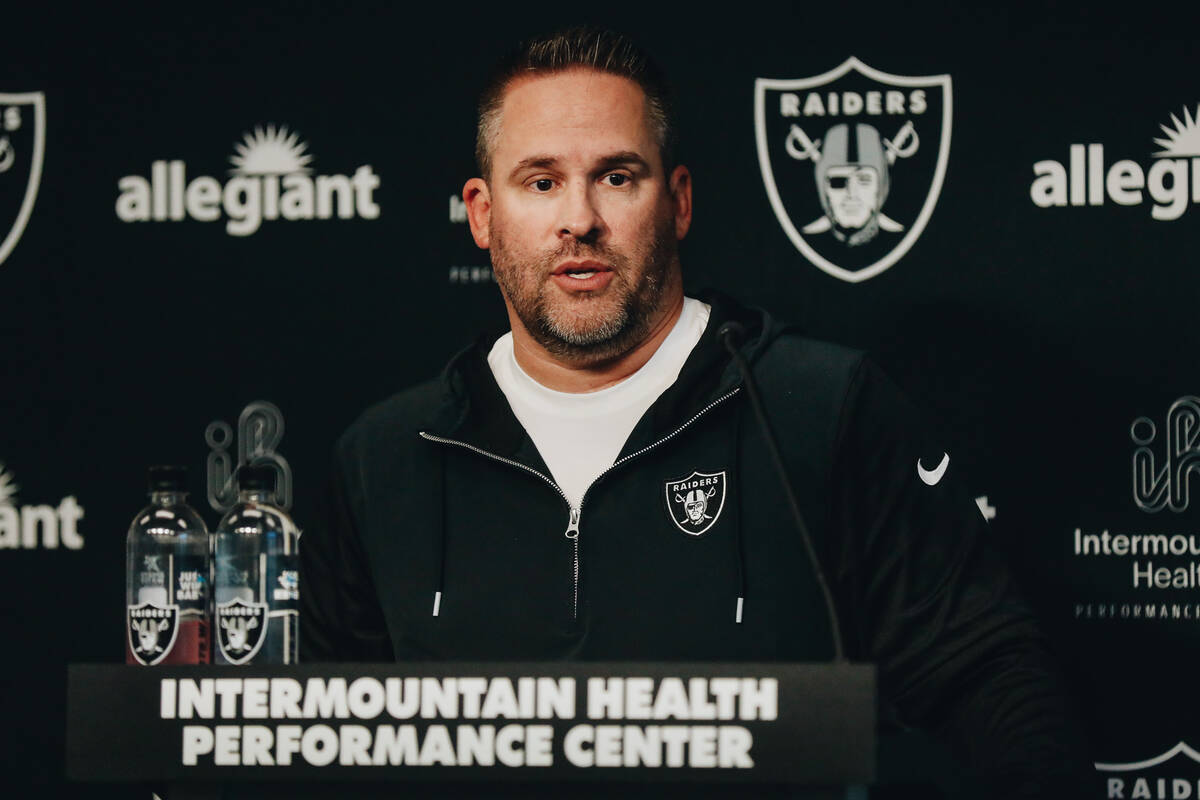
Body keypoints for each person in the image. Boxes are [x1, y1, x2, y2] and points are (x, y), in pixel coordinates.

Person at [302, 27, 1088, 797]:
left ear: (676, 201)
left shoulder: (820, 409)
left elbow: (990, 679)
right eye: (541, 182)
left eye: (616, 176)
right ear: (480, 214)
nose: (579, 218)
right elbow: (312, 744)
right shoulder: (385, 457)